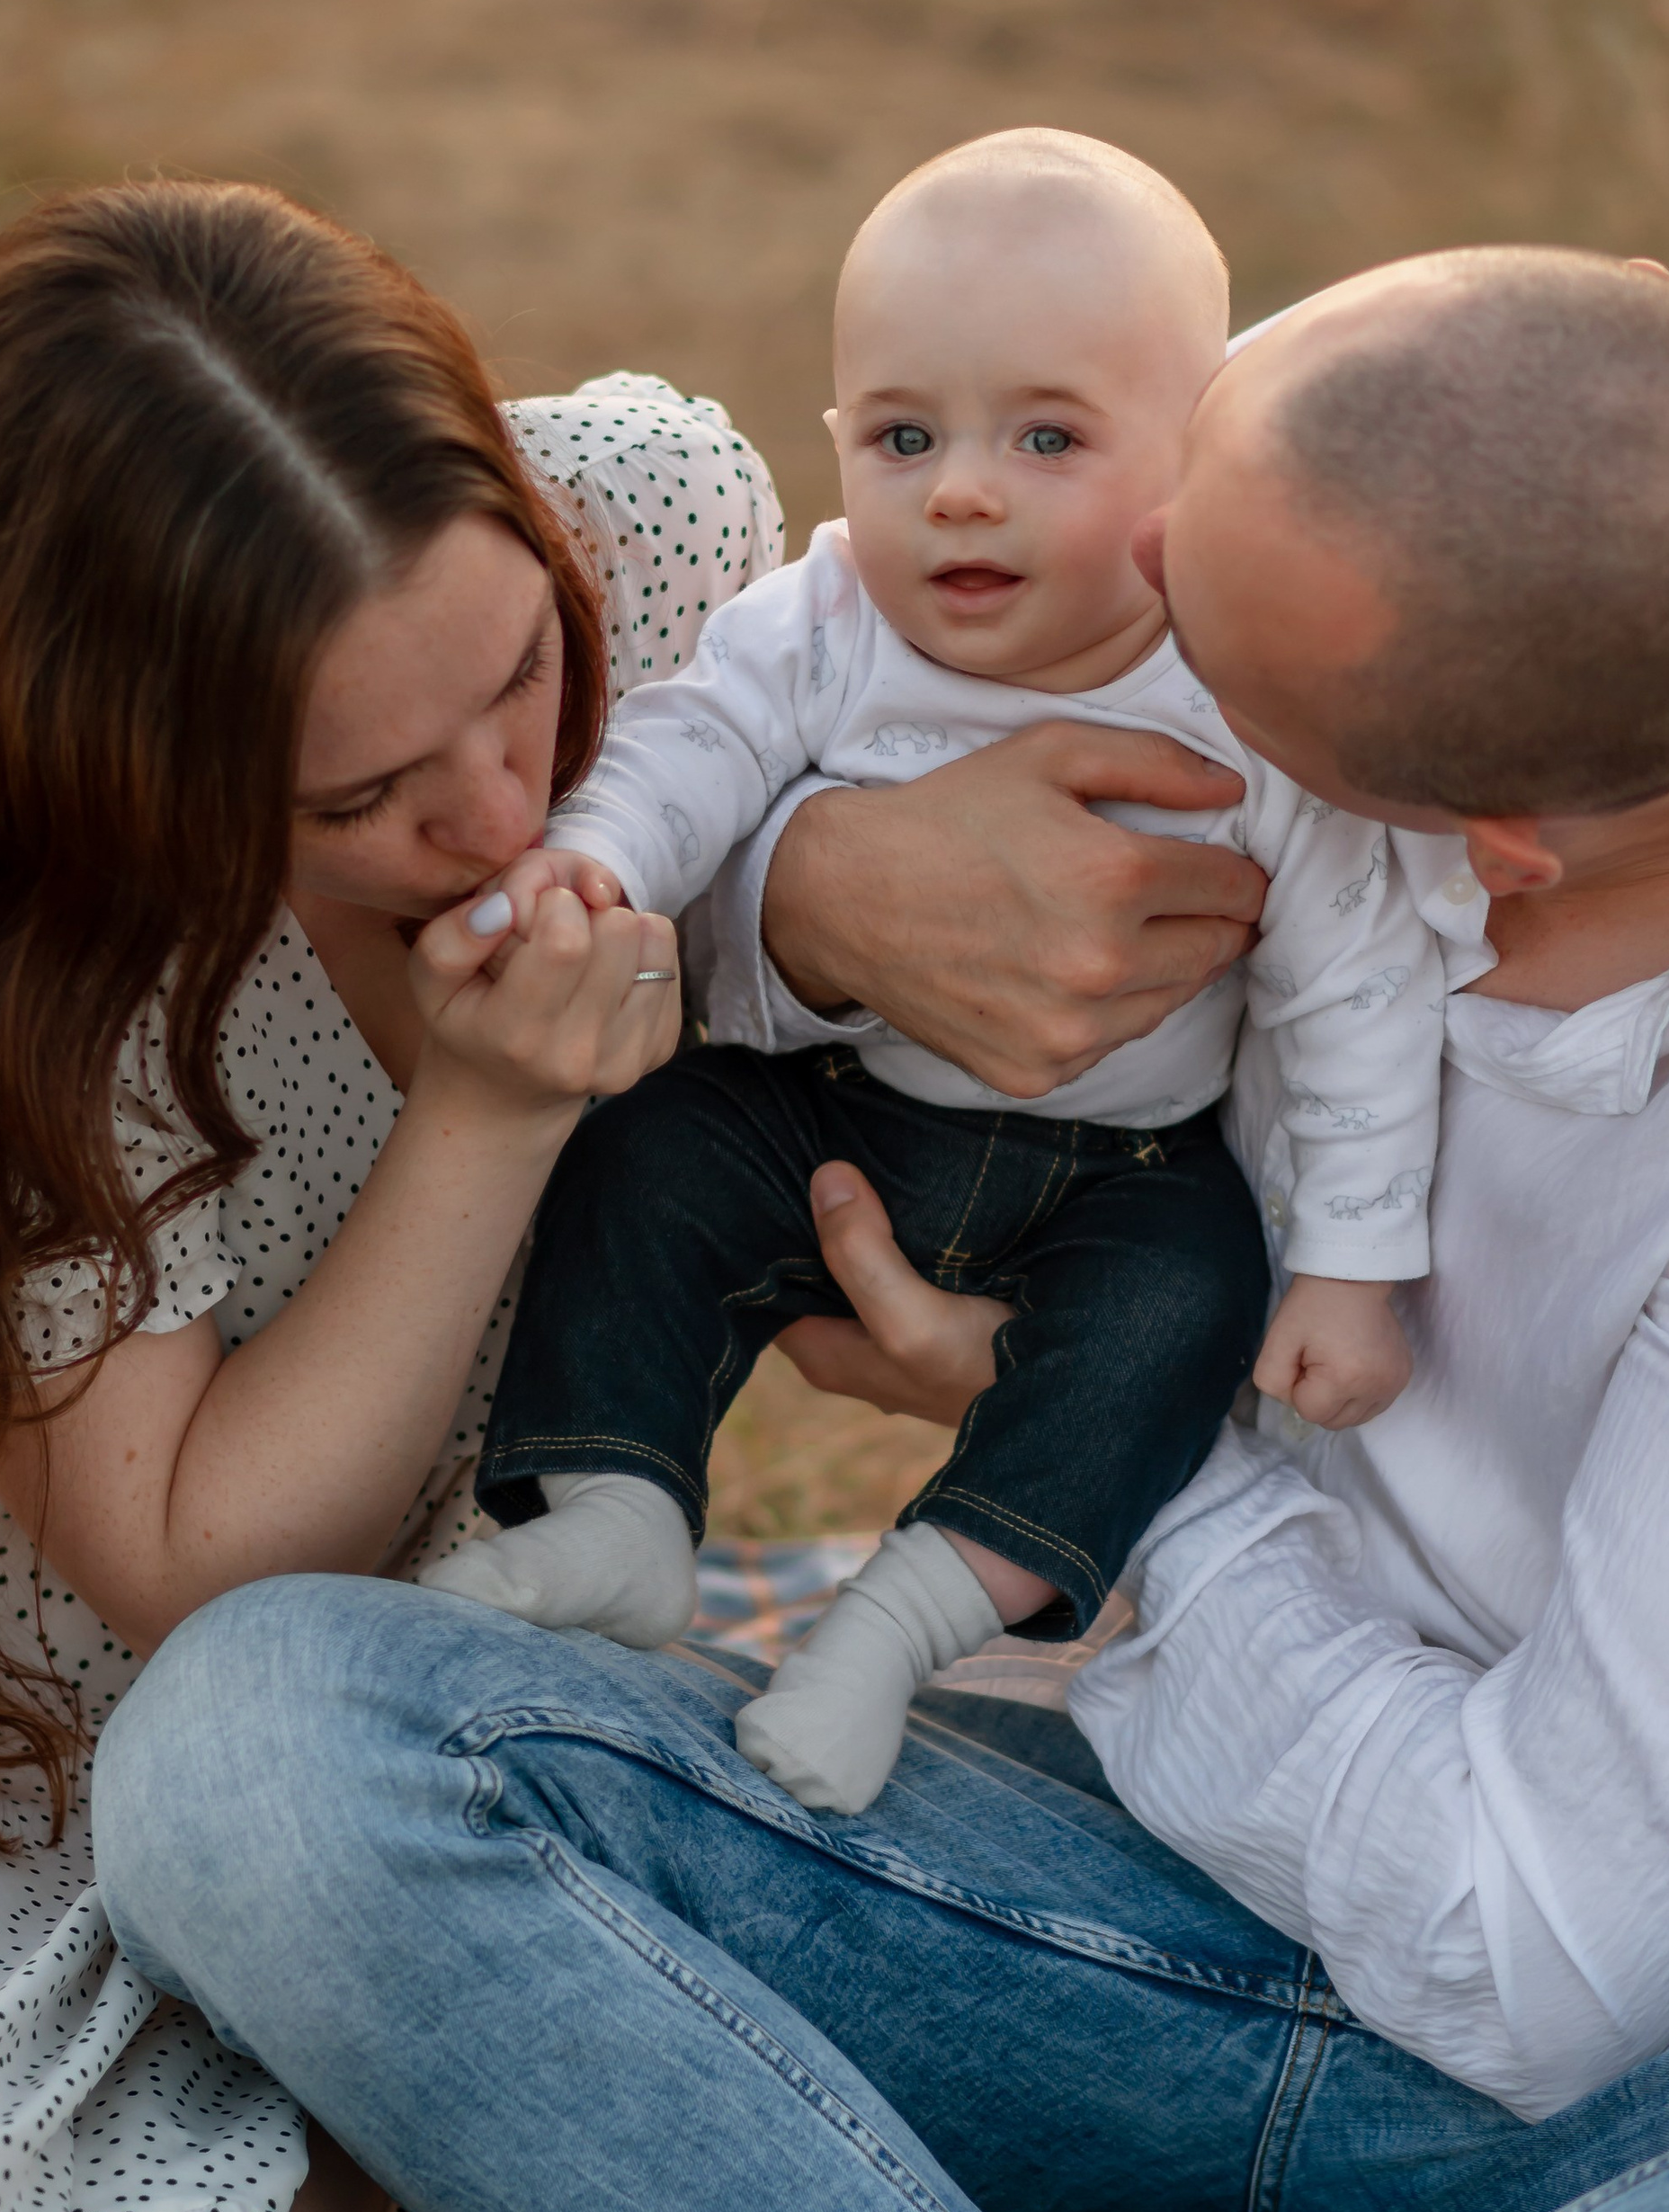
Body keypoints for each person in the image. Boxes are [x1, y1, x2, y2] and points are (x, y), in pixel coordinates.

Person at [95, 245, 1669, 2212]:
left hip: (1583, 2064)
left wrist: (1100, 1486)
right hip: (1040, 1891)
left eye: (1204, 674)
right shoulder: (1427, 484)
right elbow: (776, 794)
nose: (1122, 628)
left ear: (1470, 847)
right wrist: (826, 893)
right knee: (252, 1745)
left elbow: (1539, 1963)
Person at [0, 176, 787, 2212]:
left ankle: (358, 2173)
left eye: (522, 677)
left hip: (374, 1690)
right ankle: (351, 2192)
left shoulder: (644, 524)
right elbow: (195, 1572)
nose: (501, 813)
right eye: (359, 804)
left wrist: (831, 885)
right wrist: (496, 1110)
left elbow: (852, 780)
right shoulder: (10, 951)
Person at [442, 129, 1441, 1816]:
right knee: (643, 1148)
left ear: (1194, 459)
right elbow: (696, 747)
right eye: (905, 437)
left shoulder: (1240, 678)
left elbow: (1358, 977)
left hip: (1118, 1169)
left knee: (1185, 1308)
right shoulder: (830, 617)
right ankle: (617, 1507)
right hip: (836, 1107)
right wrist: (595, 857)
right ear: (841, 440)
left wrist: (1352, 1259)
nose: (961, 490)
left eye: (1046, 437)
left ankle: (901, 1627)